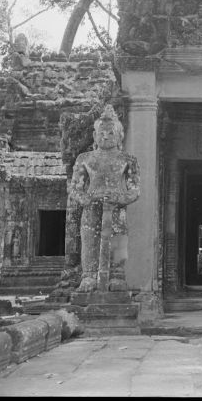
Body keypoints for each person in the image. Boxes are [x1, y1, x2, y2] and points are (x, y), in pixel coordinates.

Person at [70, 105, 140, 292]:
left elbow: (135, 190)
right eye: (101, 133)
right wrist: (87, 199)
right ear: (94, 136)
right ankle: (89, 276)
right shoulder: (84, 158)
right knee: (89, 240)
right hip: (91, 207)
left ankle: (117, 276)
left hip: (117, 208)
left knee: (118, 239)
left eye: (110, 133)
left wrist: (119, 197)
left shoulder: (128, 160)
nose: (106, 137)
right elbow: (75, 189)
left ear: (120, 136)